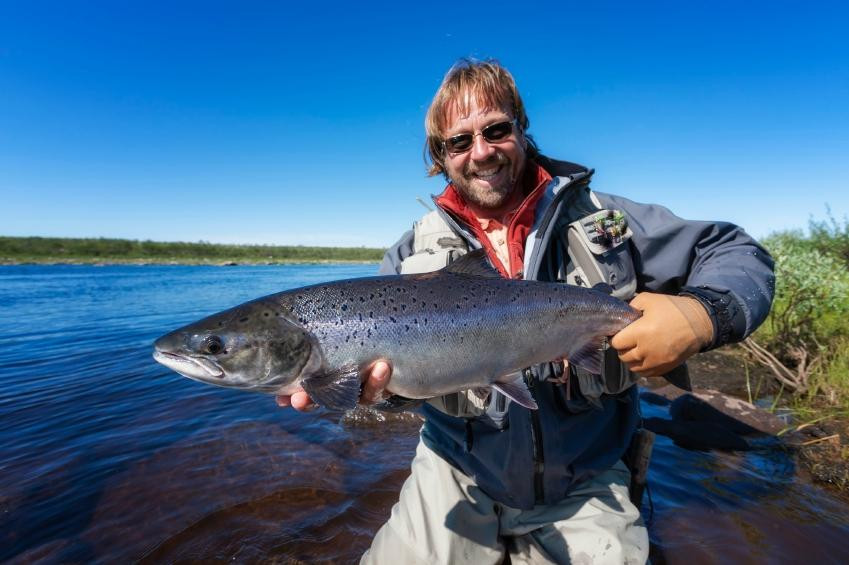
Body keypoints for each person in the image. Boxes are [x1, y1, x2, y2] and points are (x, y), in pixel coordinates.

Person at [277, 59, 775, 564]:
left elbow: (735, 251)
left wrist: (702, 315)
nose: (482, 151)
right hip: (455, 475)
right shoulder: (407, 259)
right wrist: (376, 398)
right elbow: (393, 396)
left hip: (586, 479)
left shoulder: (605, 219)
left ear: (521, 129)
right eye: (460, 141)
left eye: (496, 130)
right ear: (440, 156)